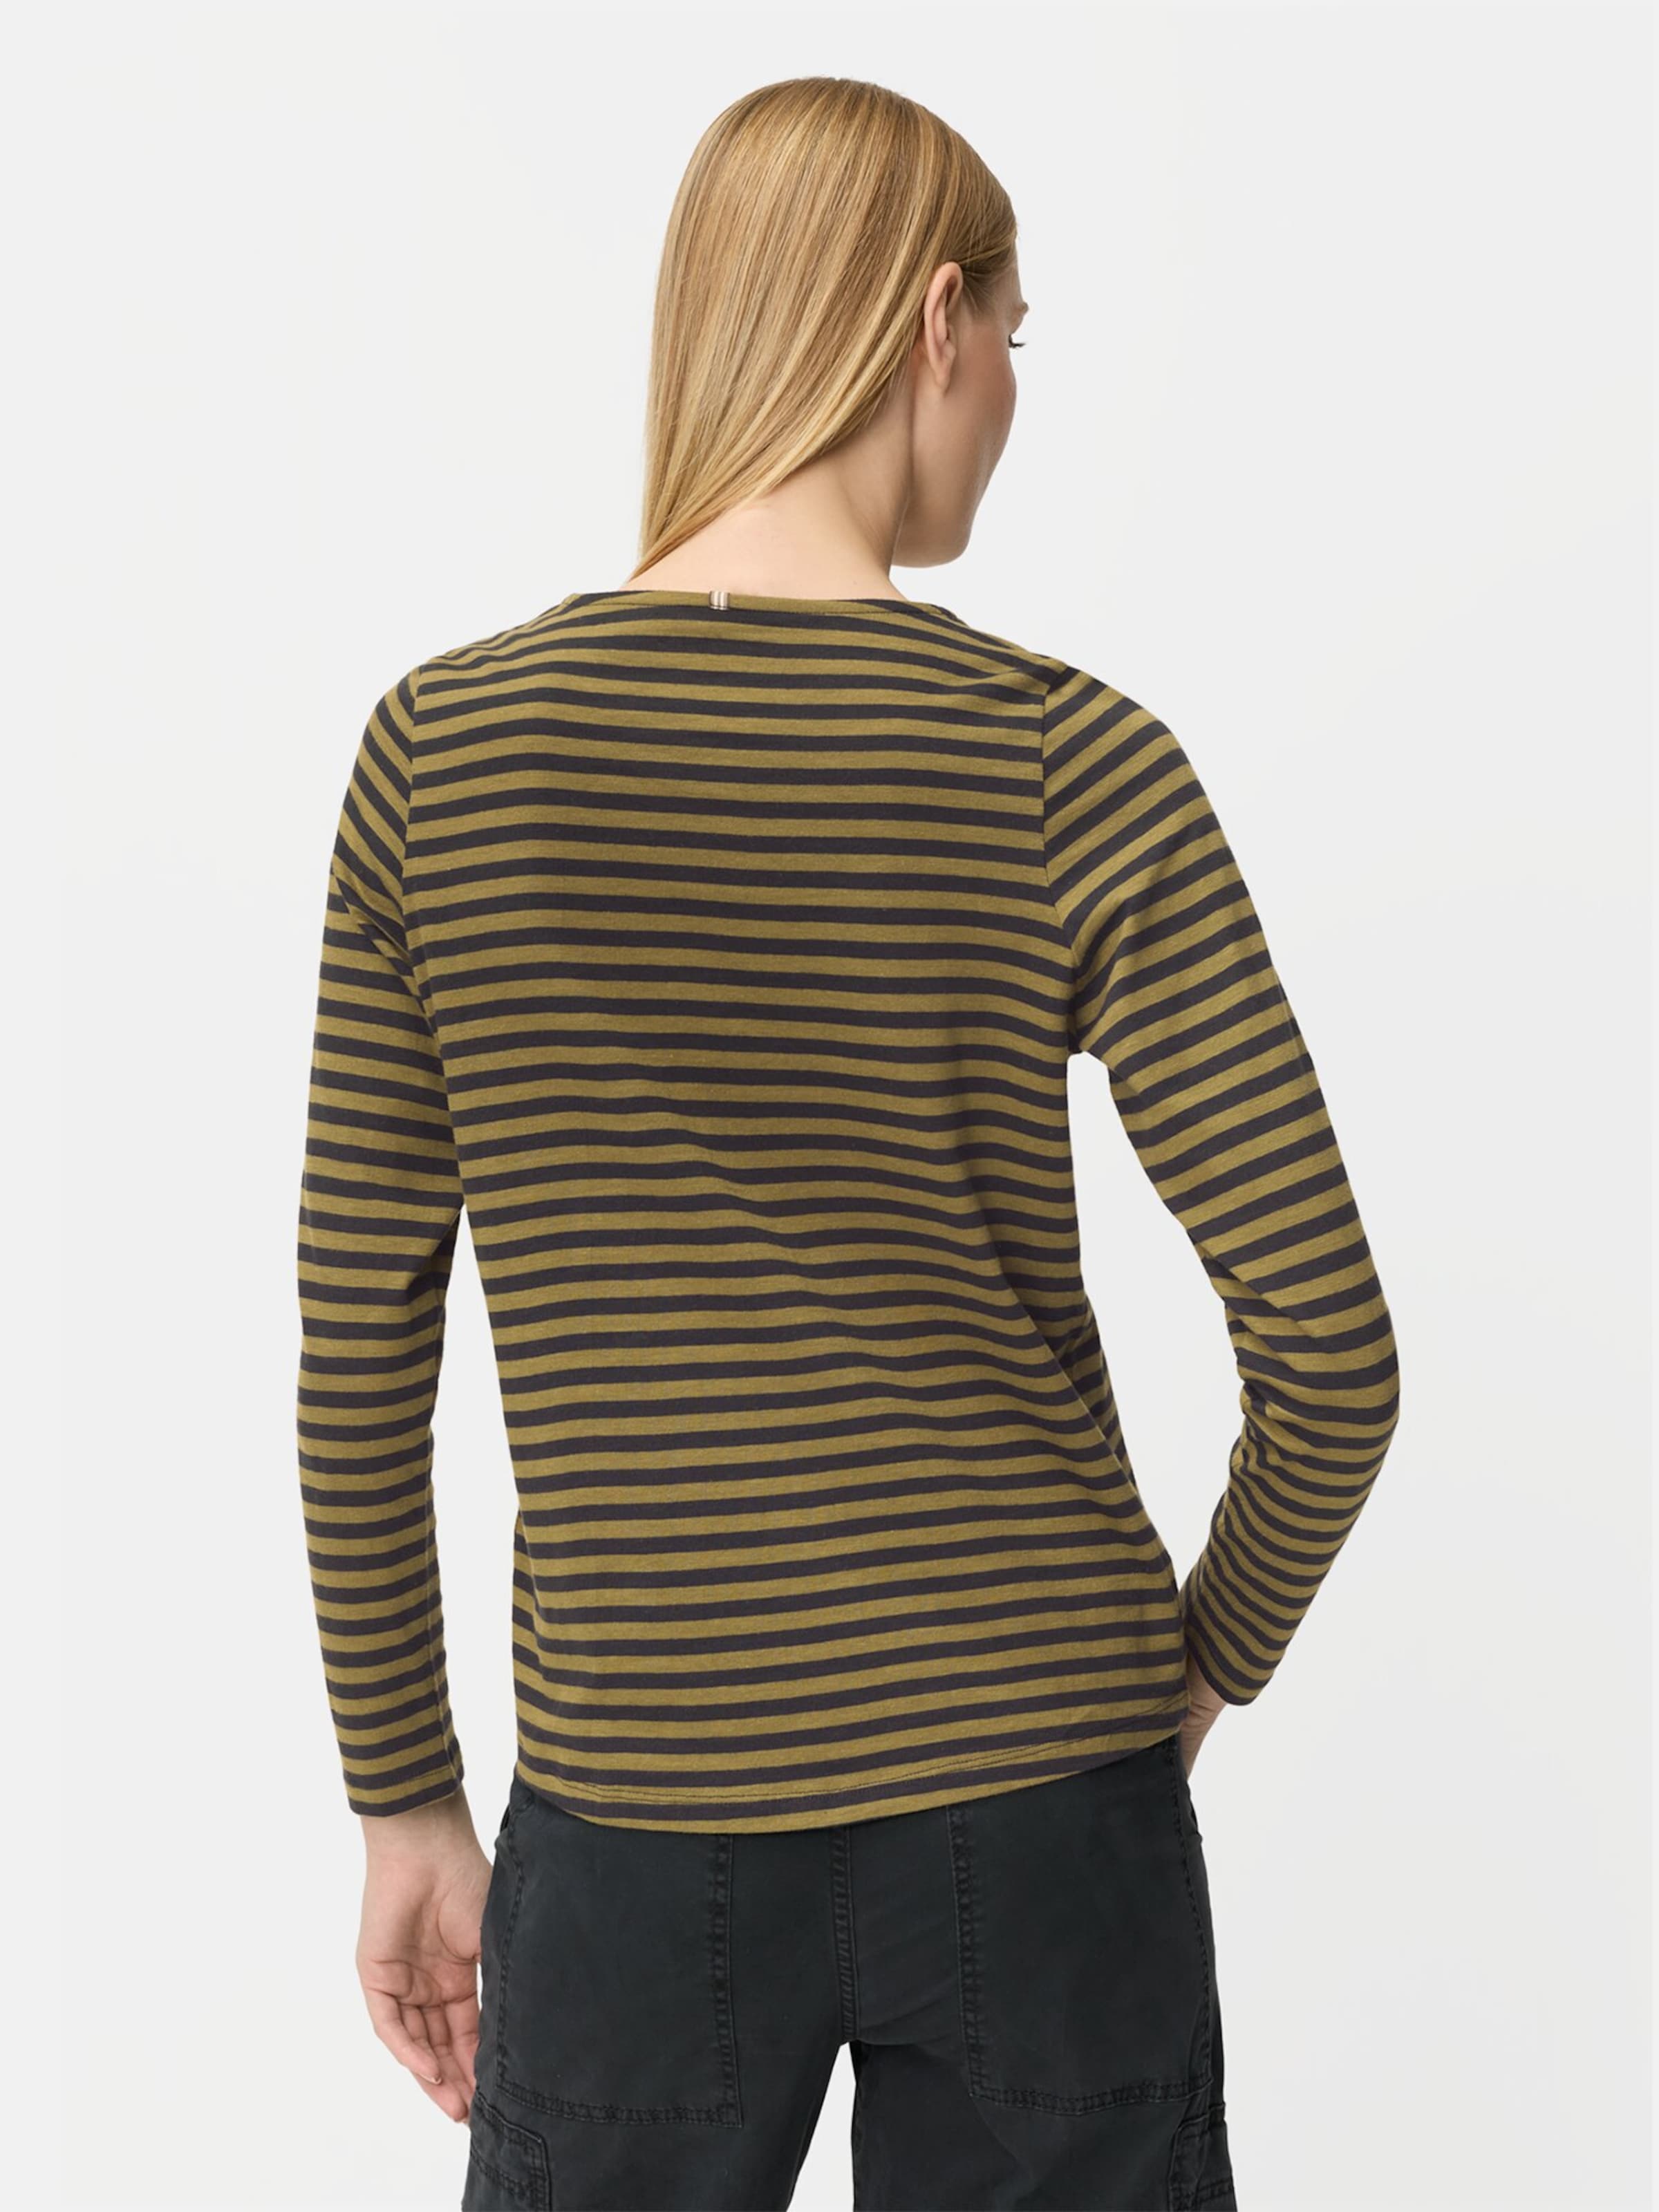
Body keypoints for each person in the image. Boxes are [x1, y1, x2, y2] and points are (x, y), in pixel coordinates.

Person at [295, 74, 1400, 2212]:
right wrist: (1181, 1685)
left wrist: (403, 1795)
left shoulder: (444, 758)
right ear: (933, 324)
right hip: (1049, 1797)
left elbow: (363, 1343)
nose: (1012, 399)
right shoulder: (1073, 762)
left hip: (634, 1814)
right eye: (1017, 334)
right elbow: (1334, 1361)